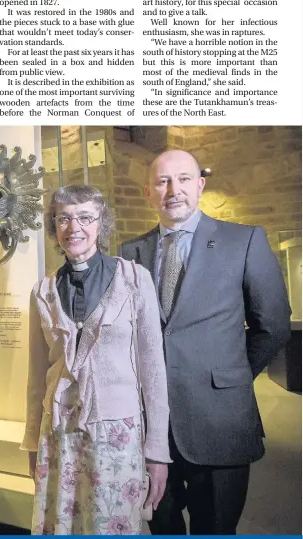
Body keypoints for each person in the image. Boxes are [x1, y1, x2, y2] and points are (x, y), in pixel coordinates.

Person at [119, 149, 291, 535]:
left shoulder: (244, 240)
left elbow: (273, 324)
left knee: (215, 527)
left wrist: (231, 374)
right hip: (152, 427)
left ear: (200, 185)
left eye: (183, 179)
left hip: (220, 418)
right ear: (149, 192)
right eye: (162, 181)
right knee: (161, 525)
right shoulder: (129, 254)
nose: (173, 190)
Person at [22, 185, 171, 535]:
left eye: (85, 217)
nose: (74, 227)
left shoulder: (134, 279)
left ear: (100, 222)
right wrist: (32, 442)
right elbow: (36, 375)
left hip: (116, 435)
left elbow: (153, 372)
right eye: (64, 218)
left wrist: (158, 452)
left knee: (110, 526)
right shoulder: (42, 292)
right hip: (58, 434)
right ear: (54, 226)